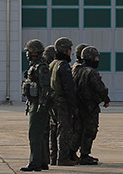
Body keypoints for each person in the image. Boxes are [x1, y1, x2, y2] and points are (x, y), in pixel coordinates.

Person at [72, 45, 111, 165]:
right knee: (90, 130)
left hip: (79, 105)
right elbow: (100, 88)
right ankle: (84, 155)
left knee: (78, 130)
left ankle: (72, 152)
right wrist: (106, 99)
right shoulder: (91, 72)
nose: (97, 60)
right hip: (89, 106)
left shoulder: (77, 70)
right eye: (95, 58)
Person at [18, 40, 52, 172]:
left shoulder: (41, 67)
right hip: (34, 102)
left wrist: (42, 104)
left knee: (34, 135)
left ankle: (34, 163)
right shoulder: (34, 66)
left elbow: (45, 88)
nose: (27, 54)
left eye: (28, 51)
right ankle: (42, 162)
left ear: (34, 52)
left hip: (38, 104)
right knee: (40, 134)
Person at [46, 38, 78, 166]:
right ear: (65, 50)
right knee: (64, 130)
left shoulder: (52, 64)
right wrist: (73, 105)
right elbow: (69, 88)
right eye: (70, 49)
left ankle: (54, 158)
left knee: (53, 130)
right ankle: (63, 158)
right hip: (62, 103)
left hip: (53, 102)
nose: (71, 52)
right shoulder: (63, 66)